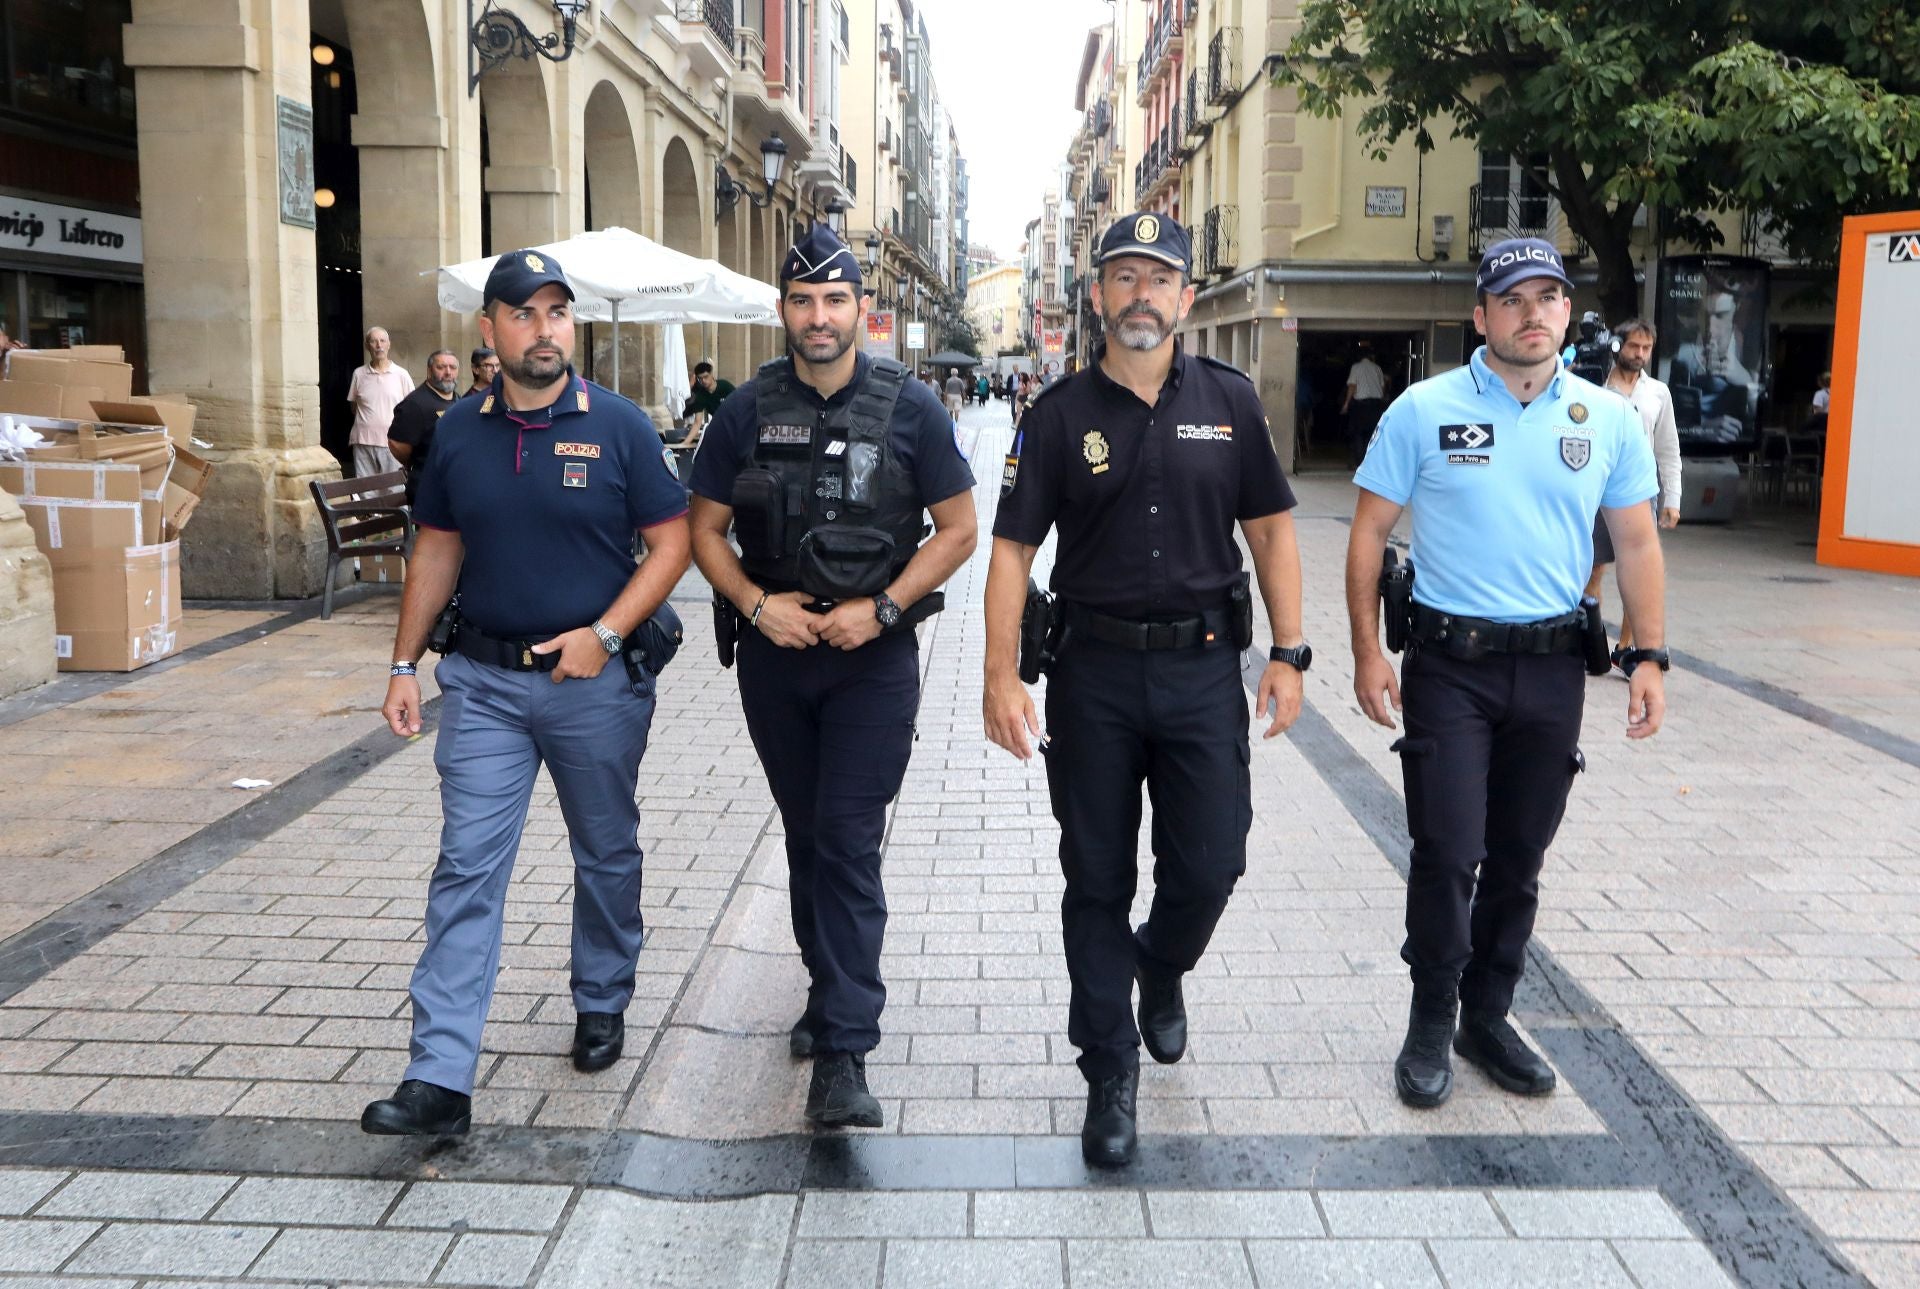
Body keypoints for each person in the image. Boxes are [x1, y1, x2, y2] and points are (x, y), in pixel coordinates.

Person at [984, 213, 1307, 1168]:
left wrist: (1290, 652)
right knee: (1096, 878)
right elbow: (1010, 552)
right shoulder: (1054, 417)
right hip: (1093, 677)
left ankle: (1159, 968)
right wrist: (1000, 675)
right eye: (1123, 277)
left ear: (1185, 300)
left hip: (1206, 668)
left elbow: (1275, 533)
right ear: (1098, 296)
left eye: (1158, 279)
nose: (1140, 294)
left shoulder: (1233, 404)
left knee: (1212, 863)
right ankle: (1109, 1069)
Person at [361, 249, 692, 1136]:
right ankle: (439, 1077)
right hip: (482, 685)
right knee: (466, 867)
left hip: (594, 685)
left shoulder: (619, 426)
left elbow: (673, 543)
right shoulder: (458, 431)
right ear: (489, 328)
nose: (542, 329)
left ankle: (602, 993)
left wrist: (608, 634)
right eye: (523, 313)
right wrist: (403, 665)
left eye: (556, 312)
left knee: (605, 852)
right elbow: (435, 549)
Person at [1345, 237, 1667, 1113]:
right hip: (1450, 667)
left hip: (1555, 670)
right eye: (1513, 299)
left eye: (1549, 297)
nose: (1534, 313)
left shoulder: (1606, 419)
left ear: (1567, 312)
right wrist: (1369, 650)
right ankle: (1429, 1015)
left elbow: (1636, 541)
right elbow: (1369, 531)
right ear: (1481, 316)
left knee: (1519, 857)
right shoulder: (1422, 408)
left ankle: (1487, 1014)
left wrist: (1649, 656)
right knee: (1448, 851)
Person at [688, 226, 978, 1130]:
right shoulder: (744, 409)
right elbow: (703, 530)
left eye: (836, 300)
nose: (819, 317)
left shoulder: (911, 406)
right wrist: (750, 601)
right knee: (808, 834)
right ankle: (825, 991)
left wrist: (884, 608)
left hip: (871, 664)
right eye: (803, 301)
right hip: (776, 659)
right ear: (784, 310)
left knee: (849, 839)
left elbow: (959, 529)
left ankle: (846, 1052)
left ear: (862, 308)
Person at [1584, 318, 1681, 670]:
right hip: (1597, 485)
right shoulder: (1595, 386)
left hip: (1640, 489)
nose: (1639, 354)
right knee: (1592, 567)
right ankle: (1589, 639)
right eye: (1633, 347)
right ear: (1617, 346)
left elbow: (1668, 448)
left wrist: (1673, 499)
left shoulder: (1657, 392)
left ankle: (1626, 646)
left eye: (1646, 349)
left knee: (1636, 564)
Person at [387, 349, 461, 500]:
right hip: (428, 490)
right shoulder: (414, 404)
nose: (448, 372)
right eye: (441, 367)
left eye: (452, 367)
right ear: (429, 370)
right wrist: (418, 463)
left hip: (453, 486)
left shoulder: (458, 400)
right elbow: (396, 444)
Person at [347, 327, 414, 481]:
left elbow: (410, 408)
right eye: (373, 341)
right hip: (363, 441)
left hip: (392, 443)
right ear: (367, 346)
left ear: (389, 344)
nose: (379, 345)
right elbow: (354, 407)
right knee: (365, 489)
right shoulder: (359, 374)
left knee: (393, 488)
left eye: (382, 341)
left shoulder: (401, 374)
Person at [1342, 340, 1388, 468]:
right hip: (1375, 405)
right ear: (1370, 356)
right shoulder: (1377, 368)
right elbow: (1382, 387)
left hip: (1361, 405)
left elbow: (1352, 386)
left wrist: (1346, 403)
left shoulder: (1356, 367)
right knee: (1373, 434)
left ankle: (1360, 463)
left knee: (1358, 434)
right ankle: (1371, 463)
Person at [681, 360, 735, 440]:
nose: (703, 381)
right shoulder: (700, 395)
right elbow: (697, 422)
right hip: (721, 428)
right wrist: (686, 442)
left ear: (711, 374)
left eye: (706, 377)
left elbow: (740, 405)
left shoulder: (726, 386)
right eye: (700, 378)